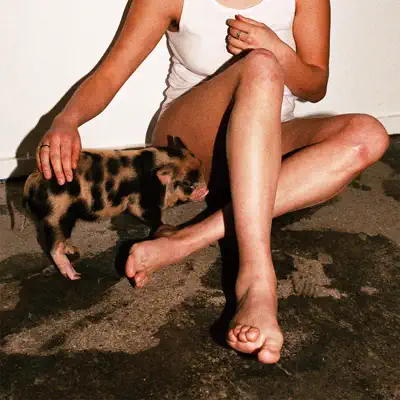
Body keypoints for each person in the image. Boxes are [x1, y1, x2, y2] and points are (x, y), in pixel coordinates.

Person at [36, 0, 390, 364]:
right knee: (261, 65)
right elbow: (110, 74)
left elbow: (315, 86)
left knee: (368, 135)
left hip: (264, 139)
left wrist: (280, 50)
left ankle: (188, 238)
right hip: (189, 148)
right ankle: (256, 281)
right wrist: (67, 121)